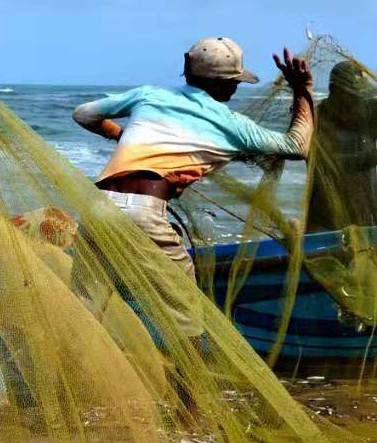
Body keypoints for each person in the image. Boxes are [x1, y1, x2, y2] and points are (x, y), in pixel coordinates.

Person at [72, 37, 314, 278]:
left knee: (86, 300)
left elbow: (83, 115)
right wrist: (303, 90)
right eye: (235, 82)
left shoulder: (148, 95)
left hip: (98, 205)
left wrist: (120, 134)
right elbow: (297, 145)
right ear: (223, 85)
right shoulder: (231, 124)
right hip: (143, 211)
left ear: (188, 72)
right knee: (185, 306)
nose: (237, 87)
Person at [306, 60, 377, 232]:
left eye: (360, 95)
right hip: (326, 219)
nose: (357, 101)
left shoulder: (367, 112)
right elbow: (330, 164)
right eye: (351, 96)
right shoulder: (316, 120)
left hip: (366, 214)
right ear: (333, 91)